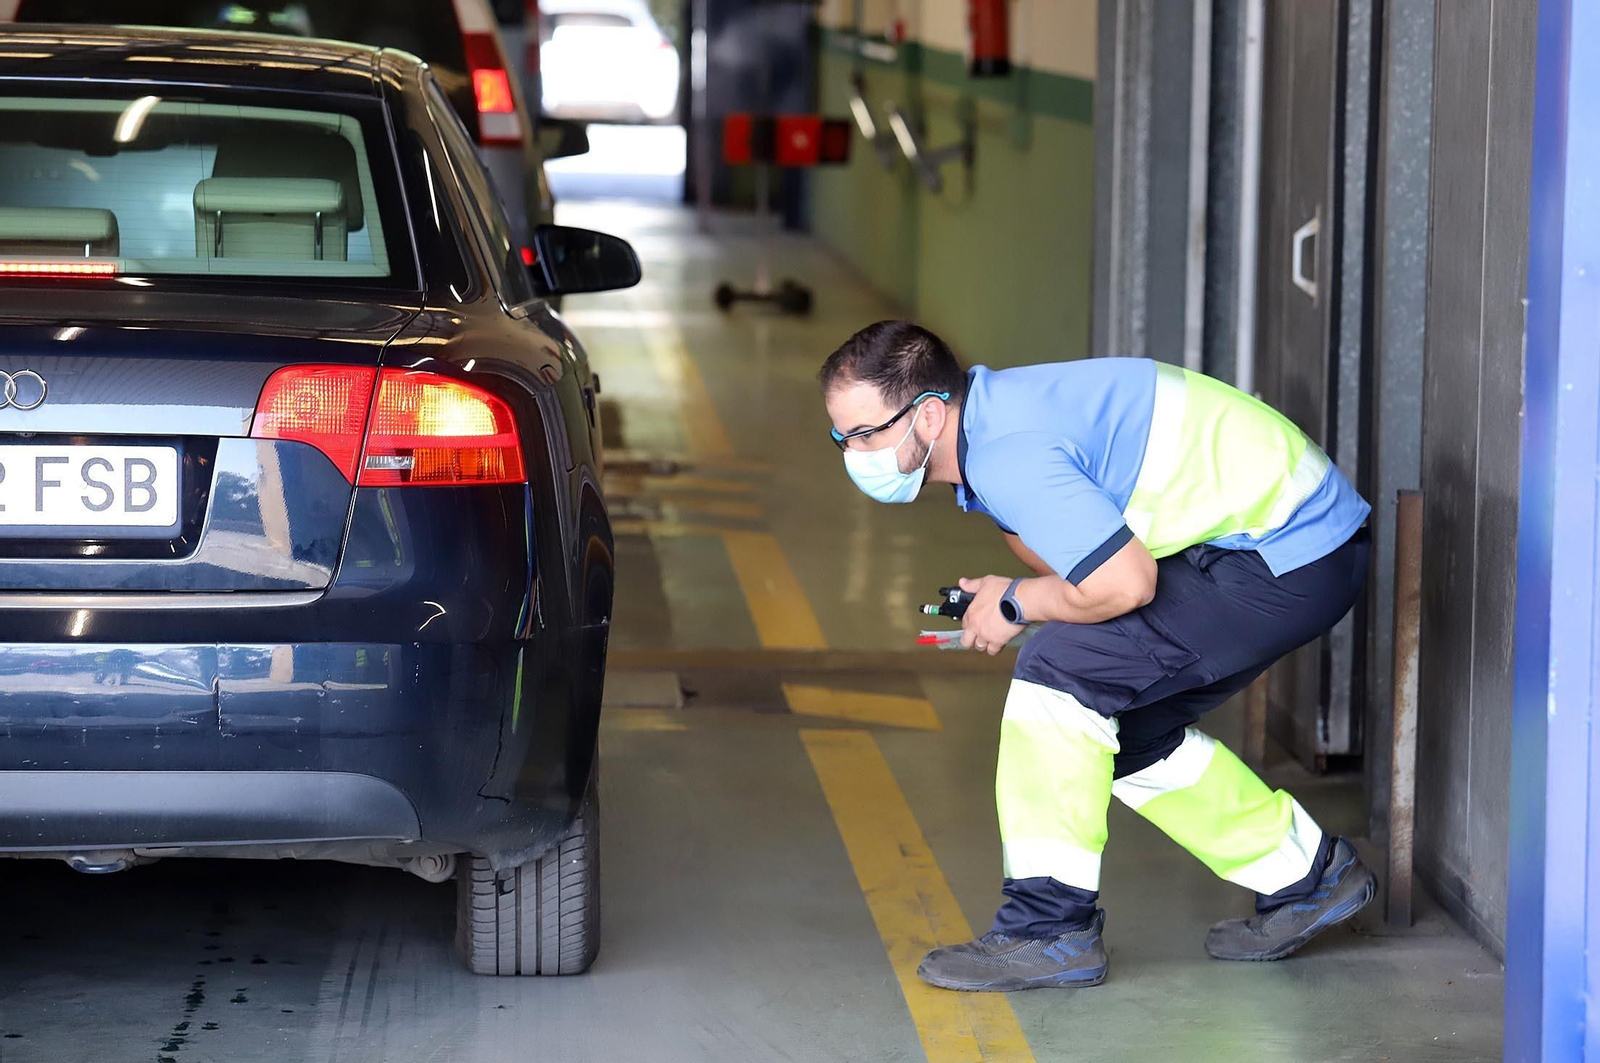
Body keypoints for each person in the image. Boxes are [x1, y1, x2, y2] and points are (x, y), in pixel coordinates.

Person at [820, 320, 1376, 991]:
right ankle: (1309, 875)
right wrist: (1007, 596)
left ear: (929, 414)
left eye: (864, 434)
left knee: (1058, 672)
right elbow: (1065, 553)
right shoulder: (992, 422)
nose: (853, 453)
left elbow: (1122, 583)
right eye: (841, 436)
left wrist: (1019, 603)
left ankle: (1048, 930)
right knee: (1126, 730)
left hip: (1284, 553)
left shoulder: (1007, 452)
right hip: (1292, 546)